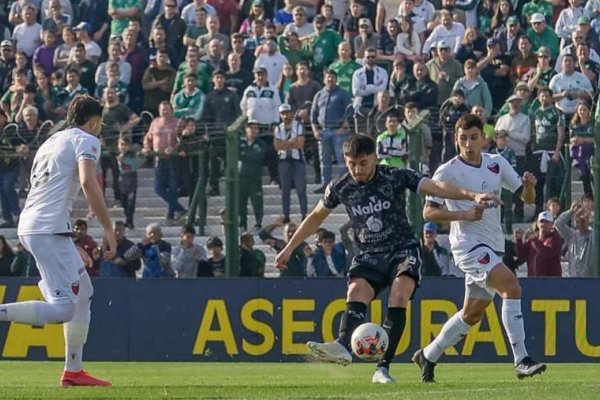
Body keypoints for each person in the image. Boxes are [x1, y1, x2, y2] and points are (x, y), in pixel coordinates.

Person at [275, 134, 502, 384]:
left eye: (363, 163)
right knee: (355, 292)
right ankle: (342, 345)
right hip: (370, 254)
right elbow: (316, 218)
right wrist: (289, 248)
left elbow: (435, 187)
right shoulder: (340, 186)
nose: (357, 170)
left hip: (402, 249)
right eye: (351, 164)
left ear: (375, 157)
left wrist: (471, 195)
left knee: (398, 296)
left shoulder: (395, 176)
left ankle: (382, 368)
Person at [415, 114, 544, 383]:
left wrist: (530, 187)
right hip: (467, 246)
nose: (469, 144)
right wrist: (462, 215)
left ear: (483, 138)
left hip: (493, 245)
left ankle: (428, 354)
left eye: (474, 138)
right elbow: (429, 212)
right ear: (455, 139)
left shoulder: (497, 163)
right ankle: (521, 359)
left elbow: (526, 197)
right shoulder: (447, 171)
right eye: (463, 139)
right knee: (511, 286)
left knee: (471, 314)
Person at [2, 95, 116, 386]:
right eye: (99, 124)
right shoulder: (86, 139)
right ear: (93, 122)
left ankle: (73, 371)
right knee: (64, 308)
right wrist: (108, 228)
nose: (99, 130)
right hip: (46, 229)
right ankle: (72, 372)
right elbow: (89, 182)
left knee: (83, 292)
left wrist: (68, 241)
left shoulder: (51, 141)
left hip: (37, 225)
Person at [274, 103, 307, 223]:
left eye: (287, 112)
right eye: (283, 113)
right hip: (284, 161)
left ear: (292, 113)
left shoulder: (298, 125)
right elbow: (277, 146)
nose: (286, 115)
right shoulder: (278, 128)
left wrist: (285, 143)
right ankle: (286, 215)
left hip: (298, 160)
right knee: (285, 191)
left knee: (301, 189)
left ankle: (304, 214)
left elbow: (300, 143)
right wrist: (291, 142)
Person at [554, 202, 596, 277]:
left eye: (582, 221)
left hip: (590, 278)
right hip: (573, 276)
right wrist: (570, 211)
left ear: (588, 221)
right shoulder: (571, 235)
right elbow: (558, 223)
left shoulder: (593, 235)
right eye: (577, 221)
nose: (580, 224)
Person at [514, 211, 562, 277]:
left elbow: (546, 254)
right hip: (533, 280)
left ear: (552, 224)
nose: (543, 224)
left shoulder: (555, 238)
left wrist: (534, 240)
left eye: (547, 222)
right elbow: (521, 256)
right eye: (541, 221)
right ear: (537, 223)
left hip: (551, 281)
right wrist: (519, 240)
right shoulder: (532, 239)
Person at [239, 120, 266, 231]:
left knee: (257, 202)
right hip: (242, 177)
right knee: (241, 202)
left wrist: (245, 154)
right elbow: (236, 156)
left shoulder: (261, 143)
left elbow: (258, 157)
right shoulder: (240, 142)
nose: (253, 130)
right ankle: (242, 225)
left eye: (255, 128)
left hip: (255, 178)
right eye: (251, 128)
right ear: (246, 129)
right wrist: (248, 155)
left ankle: (258, 224)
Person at [116, 136, 141, 230]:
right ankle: (127, 218)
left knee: (131, 201)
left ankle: (130, 221)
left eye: (126, 145)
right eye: (122, 144)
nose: (123, 147)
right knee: (124, 201)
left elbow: (136, 164)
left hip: (131, 179)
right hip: (122, 180)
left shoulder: (133, 155)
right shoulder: (116, 154)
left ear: (129, 146)